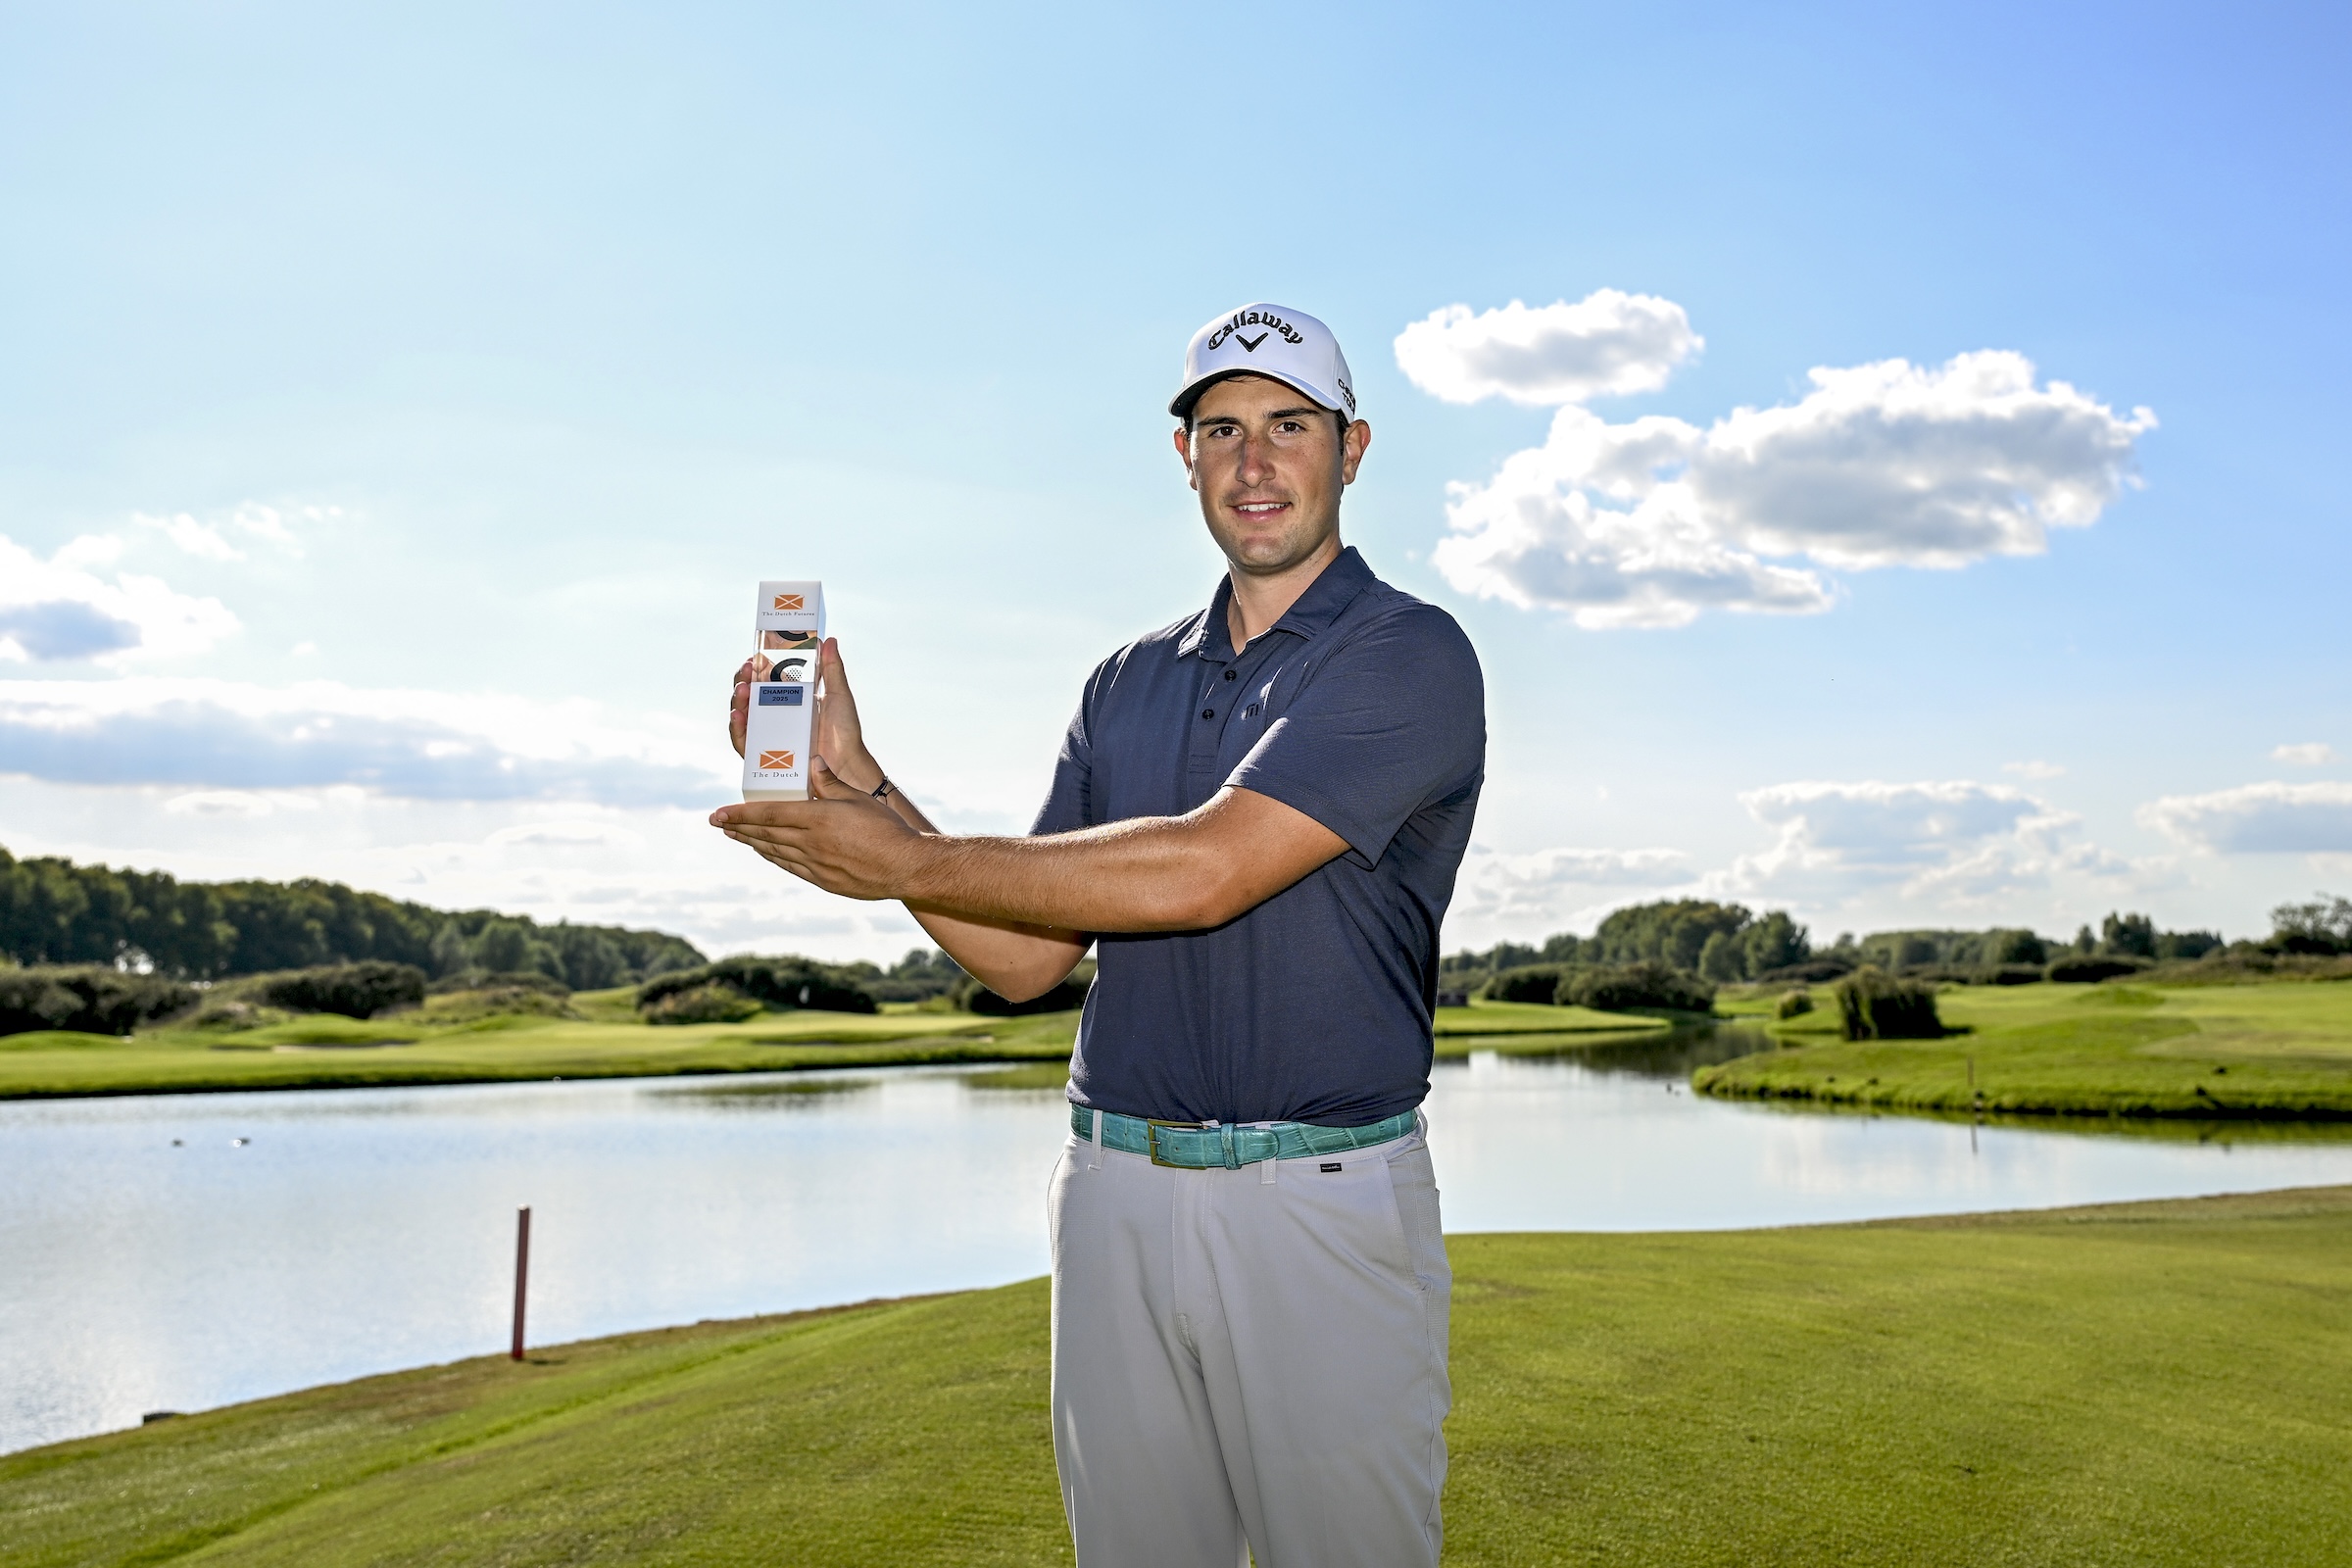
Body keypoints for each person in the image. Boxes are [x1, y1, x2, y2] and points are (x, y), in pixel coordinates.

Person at [712, 302, 1486, 1568]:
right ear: (1184, 458)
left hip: (1320, 1201)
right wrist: (859, 785)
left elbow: (1205, 869)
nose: (1254, 462)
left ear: (1352, 450)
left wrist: (897, 859)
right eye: (1222, 430)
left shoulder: (1408, 654)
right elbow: (1023, 956)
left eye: (1289, 426)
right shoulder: (1127, 679)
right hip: (1110, 1194)